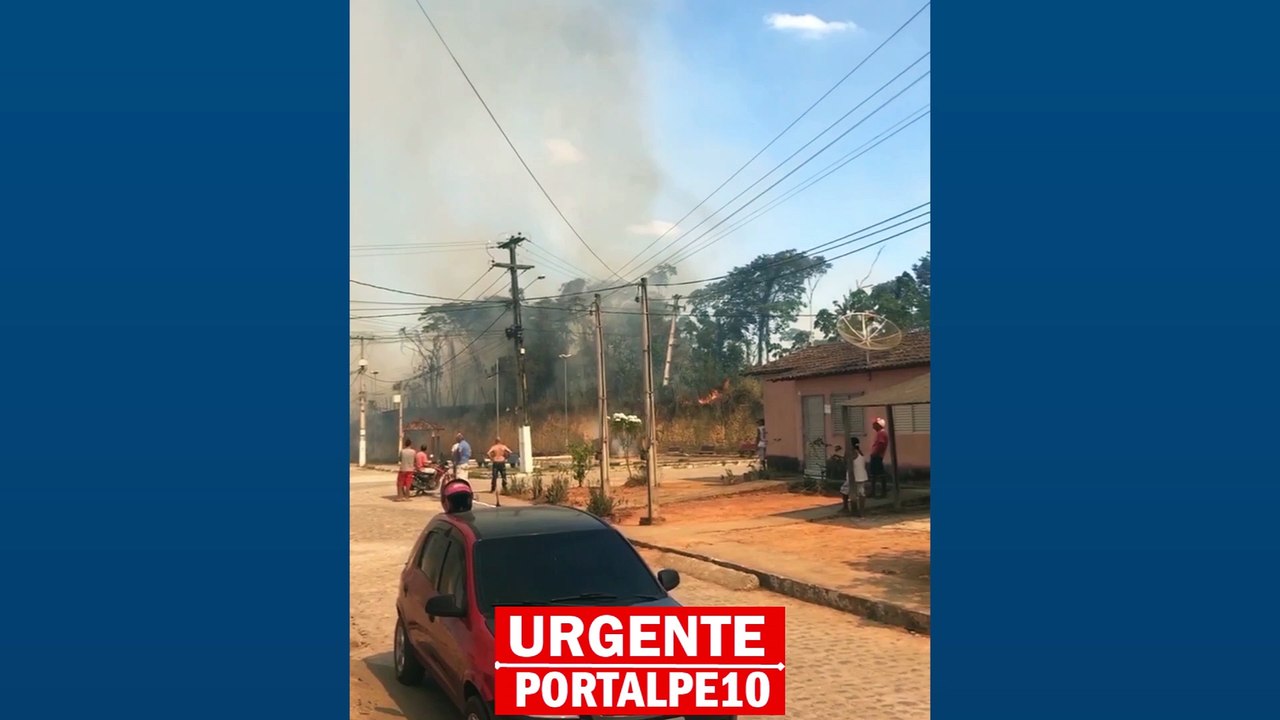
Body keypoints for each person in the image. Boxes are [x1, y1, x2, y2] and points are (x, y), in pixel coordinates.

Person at [841, 438, 869, 515]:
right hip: (862, 475)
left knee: (844, 490)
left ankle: (846, 508)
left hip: (853, 476)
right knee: (861, 492)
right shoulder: (860, 453)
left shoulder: (852, 453)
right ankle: (861, 511)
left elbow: (846, 462)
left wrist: (845, 453)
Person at [869, 418, 890, 499]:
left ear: (879, 425)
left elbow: (881, 444)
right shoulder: (881, 433)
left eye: (874, 424)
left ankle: (879, 492)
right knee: (876, 474)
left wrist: (874, 453)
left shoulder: (881, 433)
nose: (873, 426)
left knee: (877, 475)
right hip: (878, 456)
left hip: (877, 456)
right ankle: (875, 492)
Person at [396, 436, 416, 502]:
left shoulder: (402, 451)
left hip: (403, 469)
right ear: (410, 444)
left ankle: (400, 497)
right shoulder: (413, 452)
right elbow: (415, 460)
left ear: (405, 444)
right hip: (410, 470)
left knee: (400, 483)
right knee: (408, 484)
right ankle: (407, 497)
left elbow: (400, 460)